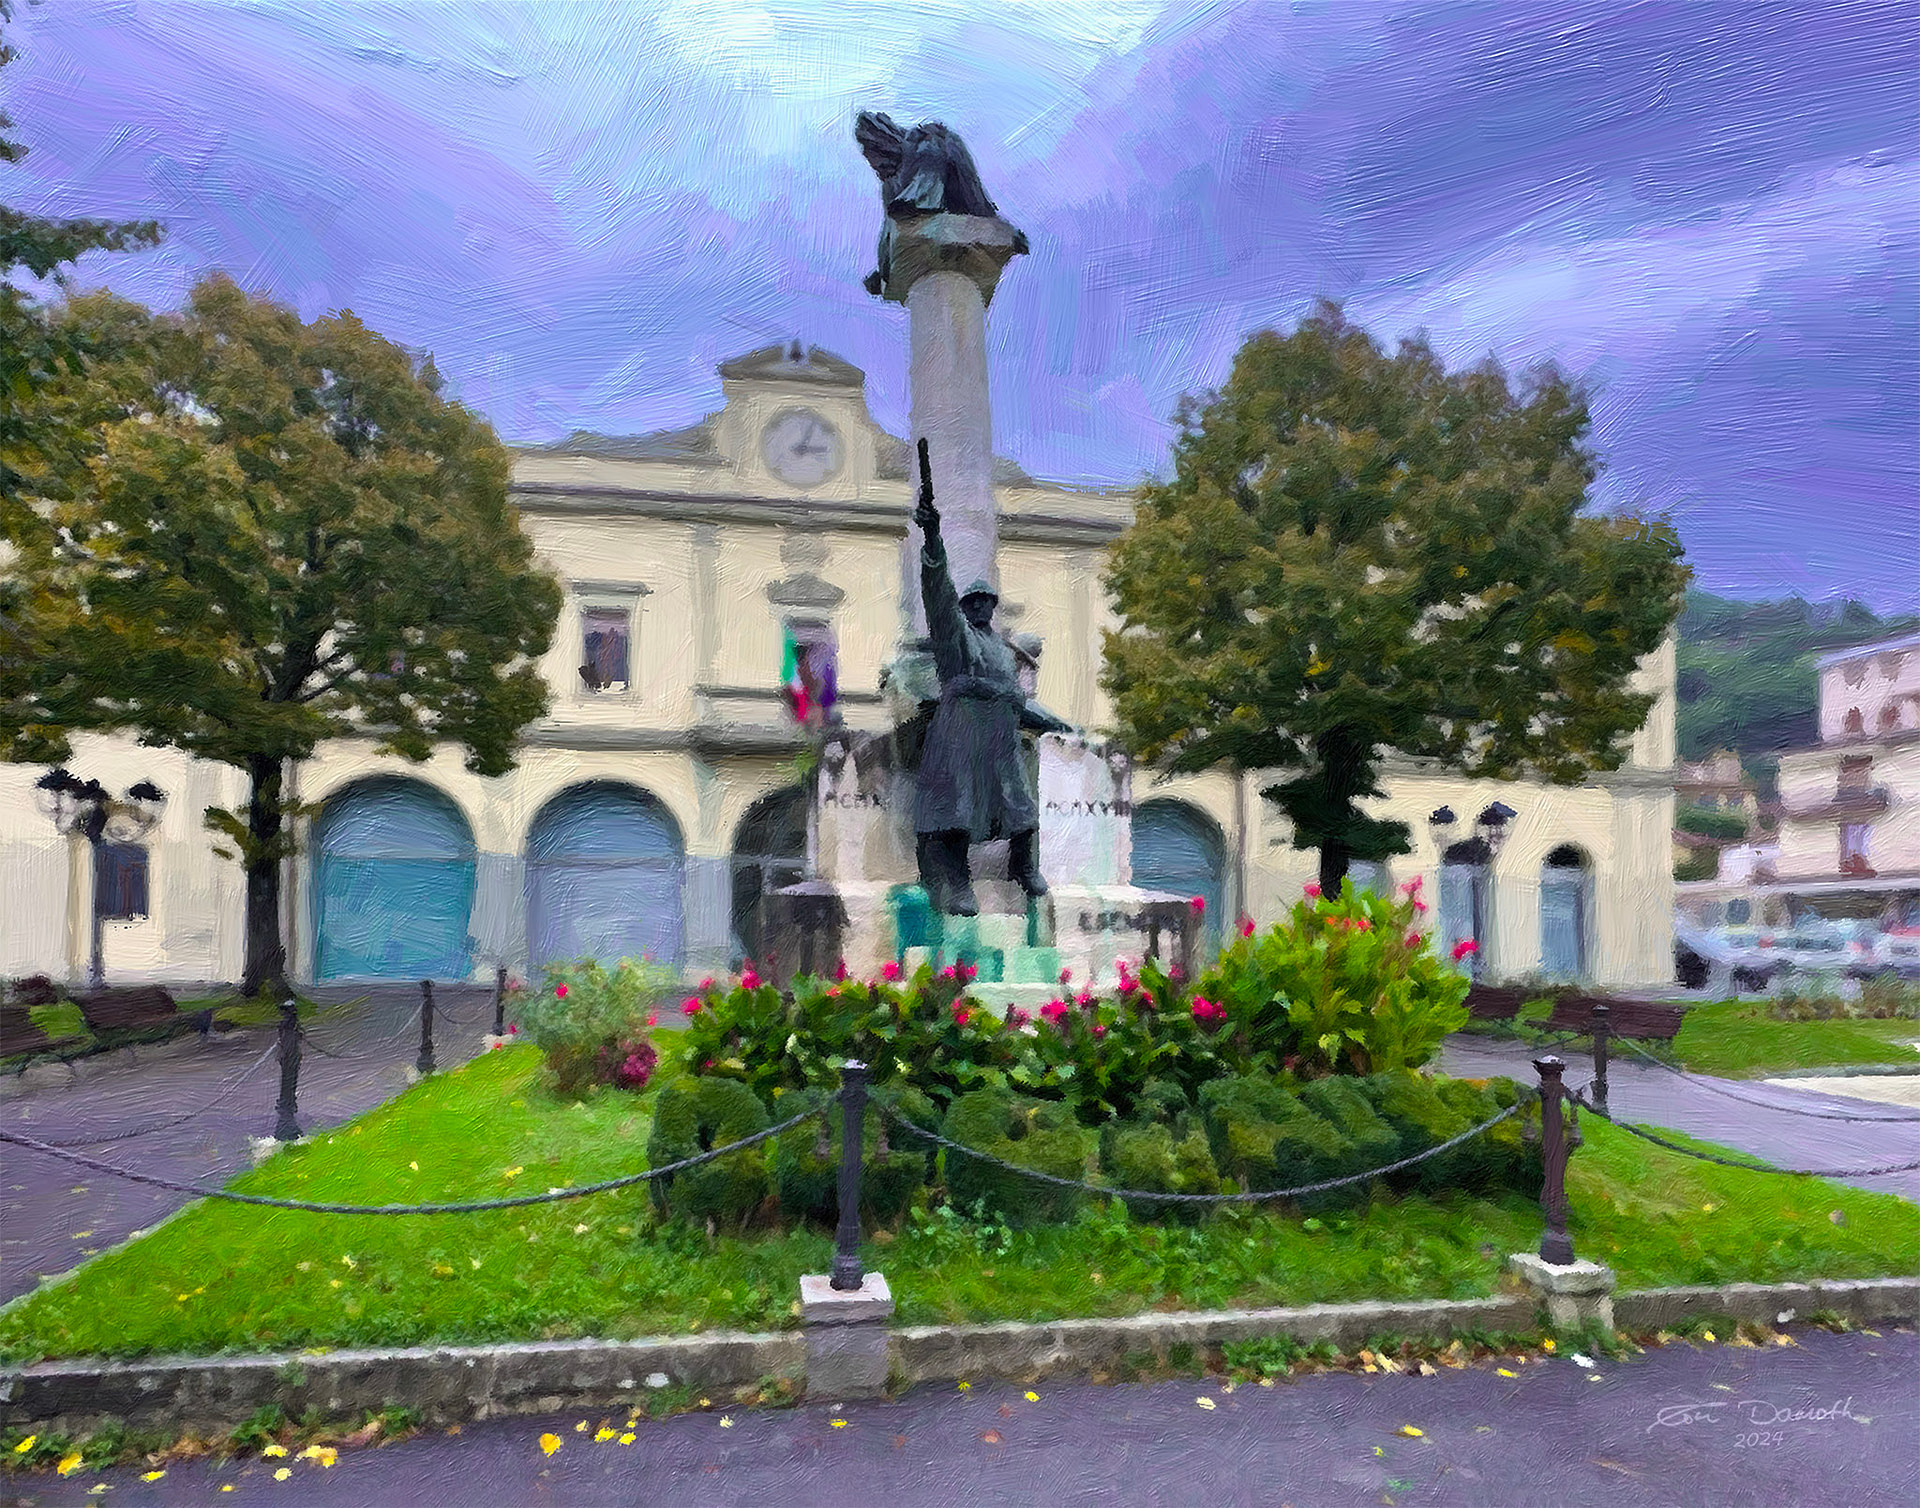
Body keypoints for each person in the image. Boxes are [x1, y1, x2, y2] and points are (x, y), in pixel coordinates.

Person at [911, 441, 1073, 915]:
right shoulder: (955, 637)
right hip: (961, 729)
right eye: (974, 599)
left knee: (1020, 806)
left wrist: (1059, 724)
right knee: (958, 808)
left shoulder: (1003, 652)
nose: (981, 604)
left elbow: (1019, 701)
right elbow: (937, 592)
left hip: (1000, 733)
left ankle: (1024, 868)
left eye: (987, 600)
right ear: (964, 607)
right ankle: (959, 884)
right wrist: (933, 539)